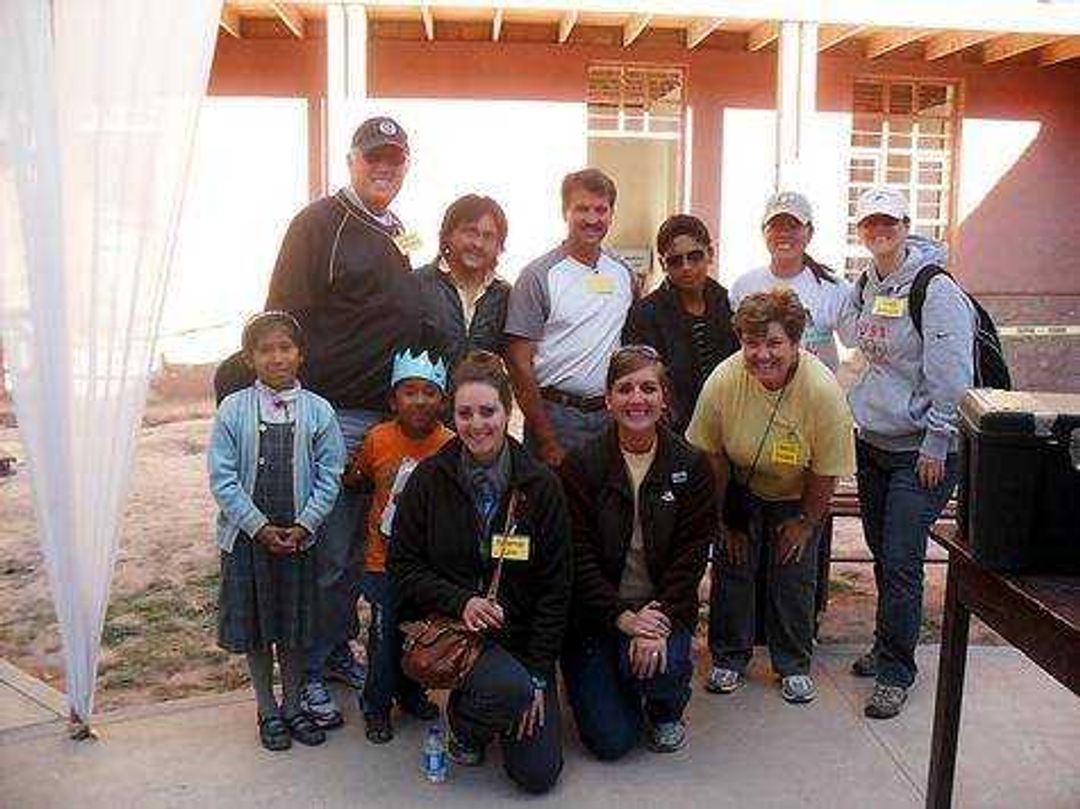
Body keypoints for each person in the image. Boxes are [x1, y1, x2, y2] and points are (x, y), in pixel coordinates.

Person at [264, 115, 419, 728]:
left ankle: (333, 653)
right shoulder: (317, 224)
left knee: (359, 553)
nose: (385, 167)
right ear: (350, 160)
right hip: (329, 416)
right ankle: (303, 680)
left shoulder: (396, 230)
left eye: (396, 158)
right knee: (326, 555)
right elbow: (280, 318)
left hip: (380, 419)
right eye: (373, 156)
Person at [390, 351, 571, 794]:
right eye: (465, 413)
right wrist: (461, 601)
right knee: (506, 693)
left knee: (537, 776)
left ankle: (504, 696)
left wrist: (536, 672)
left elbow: (557, 586)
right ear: (452, 415)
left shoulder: (540, 484)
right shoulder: (429, 480)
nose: (477, 425)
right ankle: (467, 724)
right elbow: (402, 566)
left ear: (508, 411)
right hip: (455, 634)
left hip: (524, 642)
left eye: (488, 411)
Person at [841, 186, 975, 719]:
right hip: (873, 442)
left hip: (922, 450)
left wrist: (938, 439)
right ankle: (884, 645)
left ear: (905, 223)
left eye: (888, 222)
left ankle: (897, 670)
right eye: (870, 223)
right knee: (883, 552)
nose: (879, 231)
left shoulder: (934, 287)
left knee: (901, 560)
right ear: (861, 230)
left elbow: (952, 374)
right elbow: (859, 344)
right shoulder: (867, 282)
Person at [686, 289, 854, 704]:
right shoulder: (724, 380)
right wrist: (726, 520)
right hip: (740, 485)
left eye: (774, 343)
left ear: (796, 343)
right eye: (752, 342)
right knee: (733, 565)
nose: (762, 354)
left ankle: (794, 663)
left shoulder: (821, 390)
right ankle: (728, 657)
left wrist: (805, 524)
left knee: (793, 572)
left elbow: (826, 469)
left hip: (797, 490)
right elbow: (711, 452)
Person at [558, 345, 715, 757]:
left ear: (664, 398)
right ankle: (604, 679)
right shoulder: (581, 465)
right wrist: (624, 619)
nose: (637, 399)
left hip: (661, 609)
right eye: (625, 389)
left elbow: (691, 558)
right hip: (598, 615)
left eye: (649, 388)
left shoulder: (692, 467)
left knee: (659, 672)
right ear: (608, 399)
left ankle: (664, 707)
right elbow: (578, 557)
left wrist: (656, 622)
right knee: (612, 743)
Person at [208, 312, 346, 751]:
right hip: (249, 543)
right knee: (256, 629)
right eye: (265, 349)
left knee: (291, 628)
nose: (276, 357)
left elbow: (331, 472)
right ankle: (267, 710)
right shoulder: (233, 409)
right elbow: (222, 478)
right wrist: (259, 526)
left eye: (285, 347)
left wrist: (306, 524)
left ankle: (293, 707)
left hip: (299, 541)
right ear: (250, 358)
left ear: (300, 354)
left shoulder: (319, 411)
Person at [342, 349, 453, 743]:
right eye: (409, 391)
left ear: (443, 399)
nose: (420, 400)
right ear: (393, 400)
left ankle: (411, 693)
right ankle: (376, 705)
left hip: (428, 565)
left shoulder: (450, 444)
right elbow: (359, 480)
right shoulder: (378, 438)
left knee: (419, 633)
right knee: (384, 638)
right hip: (383, 561)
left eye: (429, 392)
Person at [505, 169, 634, 466]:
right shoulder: (537, 276)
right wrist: (547, 439)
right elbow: (518, 363)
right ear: (565, 212)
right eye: (582, 209)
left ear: (612, 214)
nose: (592, 219)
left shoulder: (623, 274)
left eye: (601, 209)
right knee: (555, 509)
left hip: (609, 416)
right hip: (555, 417)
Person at [622, 214, 738, 433]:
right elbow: (640, 380)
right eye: (675, 260)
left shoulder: (729, 304)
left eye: (694, 256)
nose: (686, 267)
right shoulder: (646, 314)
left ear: (710, 254)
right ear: (663, 264)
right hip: (672, 432)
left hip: (727, 425)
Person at [729, 191, 851, 372]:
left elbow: (855, 344)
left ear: (809, 233)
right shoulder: (743, 287)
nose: (784, 234)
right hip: (761, 393)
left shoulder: (835, 288)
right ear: (764, 232)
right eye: (776, 226)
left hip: (815, 396)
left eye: (793, 226)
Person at [416, 194, 511, 372]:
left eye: (488, 236)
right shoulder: (416, 285)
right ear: (447, 235)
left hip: (480, 399)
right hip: (426, 398)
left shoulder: (505, 296)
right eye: (470, 232)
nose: (478, 244)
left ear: (499, 246)